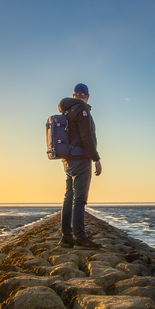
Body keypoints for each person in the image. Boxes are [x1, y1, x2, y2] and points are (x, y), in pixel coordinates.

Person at [58, 83, 102, 249]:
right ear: (87, 96)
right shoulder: (82, 110)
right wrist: (96, 158)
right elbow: (87, 136)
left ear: (74, 94)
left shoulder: (67, 110)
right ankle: (81, 237)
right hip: (80, 158)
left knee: (69, 197)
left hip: (67, 160)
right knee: (80, 198)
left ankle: (66, 237)